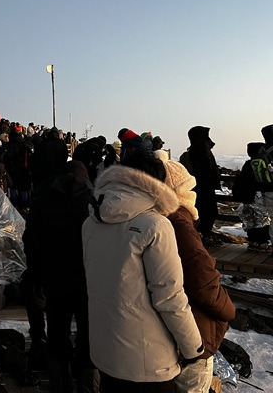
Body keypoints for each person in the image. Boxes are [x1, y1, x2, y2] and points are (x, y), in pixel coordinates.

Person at [82, 153, 203, 392]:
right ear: (157, 185)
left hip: (105, 350)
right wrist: (193, 347)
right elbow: (169, 296)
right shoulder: (155, 225)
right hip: (148, 360)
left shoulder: (92, 221)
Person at [160, 158, 235, 393]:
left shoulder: (150, 221)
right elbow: (204, 284)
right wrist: (229, 312)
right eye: (188, 188)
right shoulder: (180, 225)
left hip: (163, 338)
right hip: (192, 336)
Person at [23, 159, 96, 392]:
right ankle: (88, 387)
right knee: (88, 337)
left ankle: (59, 385)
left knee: (57, 335)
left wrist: (36, 274)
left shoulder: (43, 198)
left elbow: (30, 241)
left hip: (53, 279)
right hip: (87, 281)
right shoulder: (93, 199)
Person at [187, 126, 221, 246]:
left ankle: (203, 235)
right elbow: (206, 166)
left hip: (200, 185)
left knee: (205, 211)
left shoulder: (196, 147)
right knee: (208, 212)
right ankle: (204, 236)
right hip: (204, 185)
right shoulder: (201, 147)